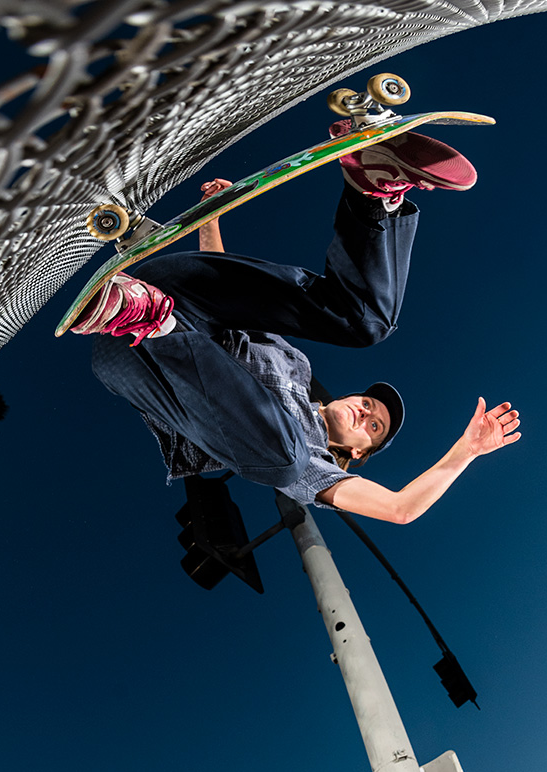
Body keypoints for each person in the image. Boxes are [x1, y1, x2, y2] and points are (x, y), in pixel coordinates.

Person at [72, 128, 521, 524]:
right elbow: (233, 296)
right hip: (175, 292)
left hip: (137, 357)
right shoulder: (295, 367)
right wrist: (211, 217)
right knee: (366, 323)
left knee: (284, 461)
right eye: (367, 403)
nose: (364, 411)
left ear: (356, 453)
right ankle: (373, 190)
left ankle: (150, 320)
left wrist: (468, 450)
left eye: (372, 426)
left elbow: (399, 509)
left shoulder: (313, 465)